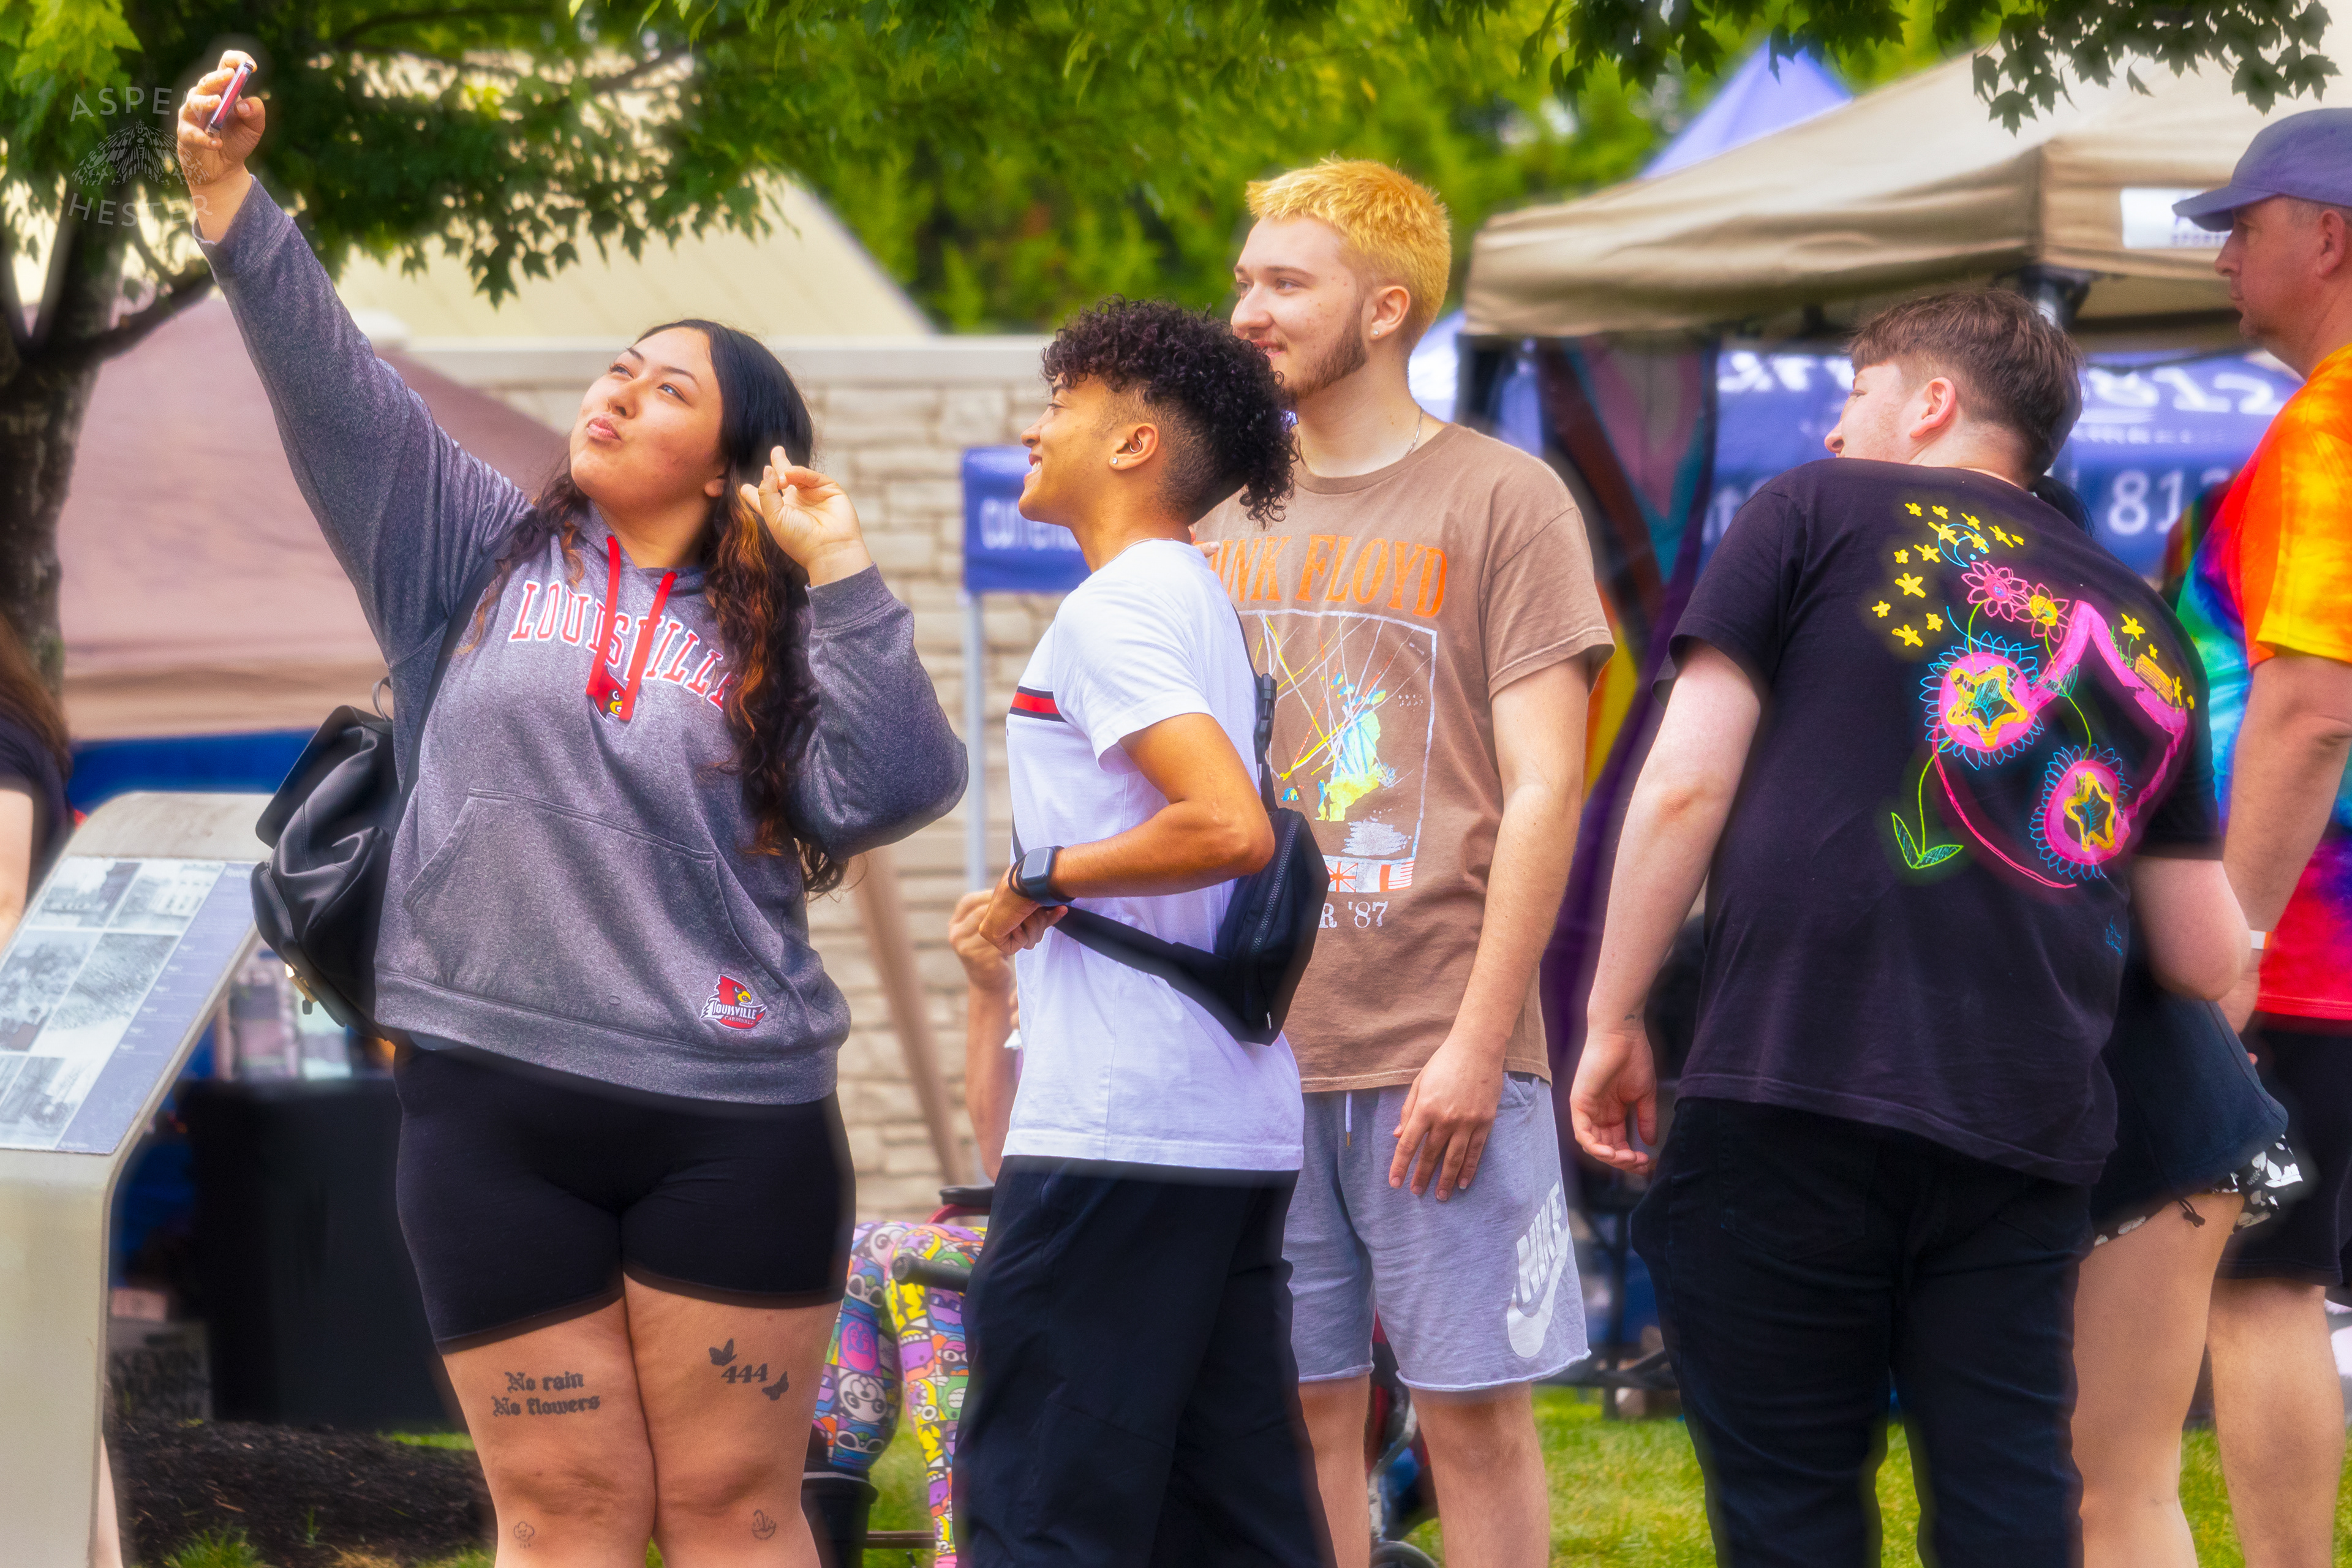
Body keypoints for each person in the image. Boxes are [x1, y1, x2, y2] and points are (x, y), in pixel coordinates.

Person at [181, 55, 965, 1566]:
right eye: (619, 365)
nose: (618, 389)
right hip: (486, 1112)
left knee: (730, 1512)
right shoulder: (467, 550)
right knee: (561, 1514)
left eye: (670, 386)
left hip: (730, 1119)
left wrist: (846, 574)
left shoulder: (783, 630)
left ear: (739, 457)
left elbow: (895, 788)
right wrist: (229, 194)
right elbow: (335, 384)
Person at [1569, 290, 2248, 1567]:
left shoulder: (1807, 512)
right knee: (2007, 1501)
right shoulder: (2143, 627)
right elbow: (2208, 955)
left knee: (1791, 1505)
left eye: (1851, 400)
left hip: (1789, 1076)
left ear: (1930, 402)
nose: (1834, 435)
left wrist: (1611, 1015)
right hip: (2024, 1120)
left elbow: (1681, 784)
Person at [1195, 157, 1611, 1568]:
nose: (1244, 307)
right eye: (1244, 277)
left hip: (1439, 1033)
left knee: (1468, 1416)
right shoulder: (1204, 513)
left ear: (1383, 308)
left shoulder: (1503, 498)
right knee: (1298, 1408)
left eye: (1281, 281)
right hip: (1247, 1050)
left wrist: (1478, 1040)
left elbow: (1545, 787)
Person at [954, 298, 1324, 1566]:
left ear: (1132, 442)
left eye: (1063, 401)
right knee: (1232, 1519)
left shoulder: (1114, 613)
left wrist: (1040, 874)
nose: (1034, 424)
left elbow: (1228, 826)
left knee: (1043, 1507)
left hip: (1119, 1122)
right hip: (1223, 1121)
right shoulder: (1192, 598)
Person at [2167, 108, 2352, 1568]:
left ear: (2327, 237)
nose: (2223, 254)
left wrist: (2220, 942)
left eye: (2244, 224)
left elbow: (2302, 710)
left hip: (2303, 955)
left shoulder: (2329, 425)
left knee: (2260, 1281)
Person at [807, 891, 1017, 1568]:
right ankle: (818, 1536)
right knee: (862, 1248)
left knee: (924, 1259)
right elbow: (1002, 1158)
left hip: (1164, 1235)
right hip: (1061, 1230)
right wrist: (990, 987)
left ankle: (970, 1548)